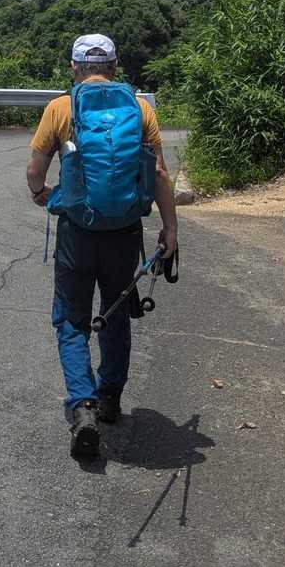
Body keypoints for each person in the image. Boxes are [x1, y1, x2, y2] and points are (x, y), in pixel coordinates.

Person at [26, 33, 179, 459]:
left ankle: (83, 406)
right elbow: (159, 174)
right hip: (125, 233)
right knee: (115, 313)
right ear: (114, 67)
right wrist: (170, 229)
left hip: (77, 232)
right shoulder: (140, 108)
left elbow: (35, 170)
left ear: (74, 68)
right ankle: (110, 396)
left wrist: (40, 194)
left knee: (71, 320)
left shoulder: (60, 108)